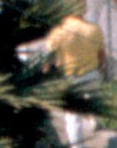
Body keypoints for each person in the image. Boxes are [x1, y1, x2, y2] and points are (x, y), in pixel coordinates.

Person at [45, 10, 105, 147]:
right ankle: (95, 120)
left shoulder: (59, 31)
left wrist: (47, 71)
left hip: (70, 76)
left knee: (73, 116)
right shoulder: (94, 29)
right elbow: (101, 54)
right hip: (92, 73)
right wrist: (101, 68)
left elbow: (49, 57)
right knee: (93, 97)